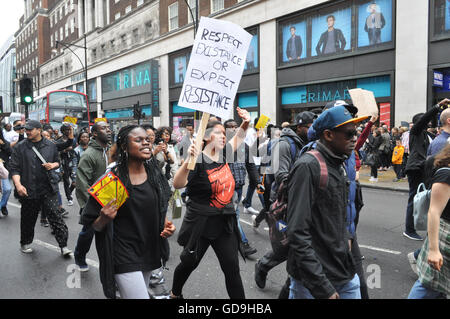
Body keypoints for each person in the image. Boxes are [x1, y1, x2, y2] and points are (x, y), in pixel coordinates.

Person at [80, 125, 175, 299]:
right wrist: (103, 218)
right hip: (123, 253)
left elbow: (159, 209)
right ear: (124, 146)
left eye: (147, 139)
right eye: (138, 140)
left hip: (150, 249)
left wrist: (166, 227)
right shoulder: (113, 180)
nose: (146, 143)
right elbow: (91, 224)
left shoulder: (155, 175)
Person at [170, 107, 250, 299]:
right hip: (201, 225)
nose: (224, 136)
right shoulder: (197, 160)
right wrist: (188, 159)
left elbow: (238, 138)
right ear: (205, 137)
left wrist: (246, 122)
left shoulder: (224, 154)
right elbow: (178, 183)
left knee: (232, 269)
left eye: (225, 133)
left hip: (224, 224)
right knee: (189, 263)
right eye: (218, 133)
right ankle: (175, 293)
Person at [287, 105, 366, 299]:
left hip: (343, 271)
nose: (355, 138)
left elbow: (337, 212)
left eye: (355, 132)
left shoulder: (338, 163)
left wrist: (346, 236)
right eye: (349, 133)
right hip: (313, 281)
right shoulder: (308, 166)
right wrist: (323, 287)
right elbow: (297, 231)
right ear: (329, 135)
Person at [254, 111, 316, 298]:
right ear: (299, 128)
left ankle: (292, 286)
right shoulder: (284, 144)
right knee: (287, 244)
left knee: (299, 246)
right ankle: (263, 265)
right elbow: (281, 175)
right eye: (309, 127)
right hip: (283, 203)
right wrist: (305, 180)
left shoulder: (306, 143)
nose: (313, 130)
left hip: (300, 200)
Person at [9, 120, 71, 256]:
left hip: (48, 188)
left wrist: (52, 165)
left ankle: (64, 246)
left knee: (55, 216)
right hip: (28, 189)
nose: (27, 132)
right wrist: (18, 185)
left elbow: (57, 162)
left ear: (39, 130)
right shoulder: (20, 147)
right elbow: (14, 168)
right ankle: (25, 243)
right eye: (26, 130)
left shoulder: (51, 145)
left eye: (30, 129)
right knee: (28, 218)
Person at [403, 99, 450, 241]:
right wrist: (437, 107)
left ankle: (422, 226)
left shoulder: (427, 135)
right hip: (415, 168)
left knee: (424, 198)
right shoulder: (415, 132)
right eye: (426, 120)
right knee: (414, 198)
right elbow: (423, 121)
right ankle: (409, 229)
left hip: (422, 168)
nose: (429, 123)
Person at [408, 144, 450, 299]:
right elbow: (434, 212)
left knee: (436, 288)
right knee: (428, 285)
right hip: (444, 240)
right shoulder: (446, 174)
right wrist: (434, 249)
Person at [74, 121, 112, 272]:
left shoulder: (109, 151)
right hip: (93, 203)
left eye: (109, 128)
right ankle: (79, 257)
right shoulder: (89, 155)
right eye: (104, 128)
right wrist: (87, 207)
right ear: (94, 134)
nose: (108, 131)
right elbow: (82, 183)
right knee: (88, 233)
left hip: (109, 201)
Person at [224, 119, 259, 257]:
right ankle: (243, 244)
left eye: (235, 127)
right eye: (230, 127)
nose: (233, 129)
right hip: (226, 187)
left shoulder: (244, 146)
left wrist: (257, 182)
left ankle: (223, 234)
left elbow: (250, 165)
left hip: (239, 186)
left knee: (229, 214)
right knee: (235, 215)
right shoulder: (223, 146)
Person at [58, 124, 77, 206]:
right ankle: (69, 197)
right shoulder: (58, 141)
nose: (68, 131)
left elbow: (75, 148)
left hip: (73, 161)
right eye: (66, 130)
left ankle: (69, 192)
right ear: (62, 131)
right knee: (66, 181)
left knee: (74, 182)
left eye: (69, 130)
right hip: (63, 162)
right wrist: (64, 150)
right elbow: (56, 152)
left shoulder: (73, 140)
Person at [0, 128, 12, 217]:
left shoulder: (5, 143)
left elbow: (10, 152)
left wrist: (3, 144)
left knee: (7, 189)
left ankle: (3, 205)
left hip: (3, 171)